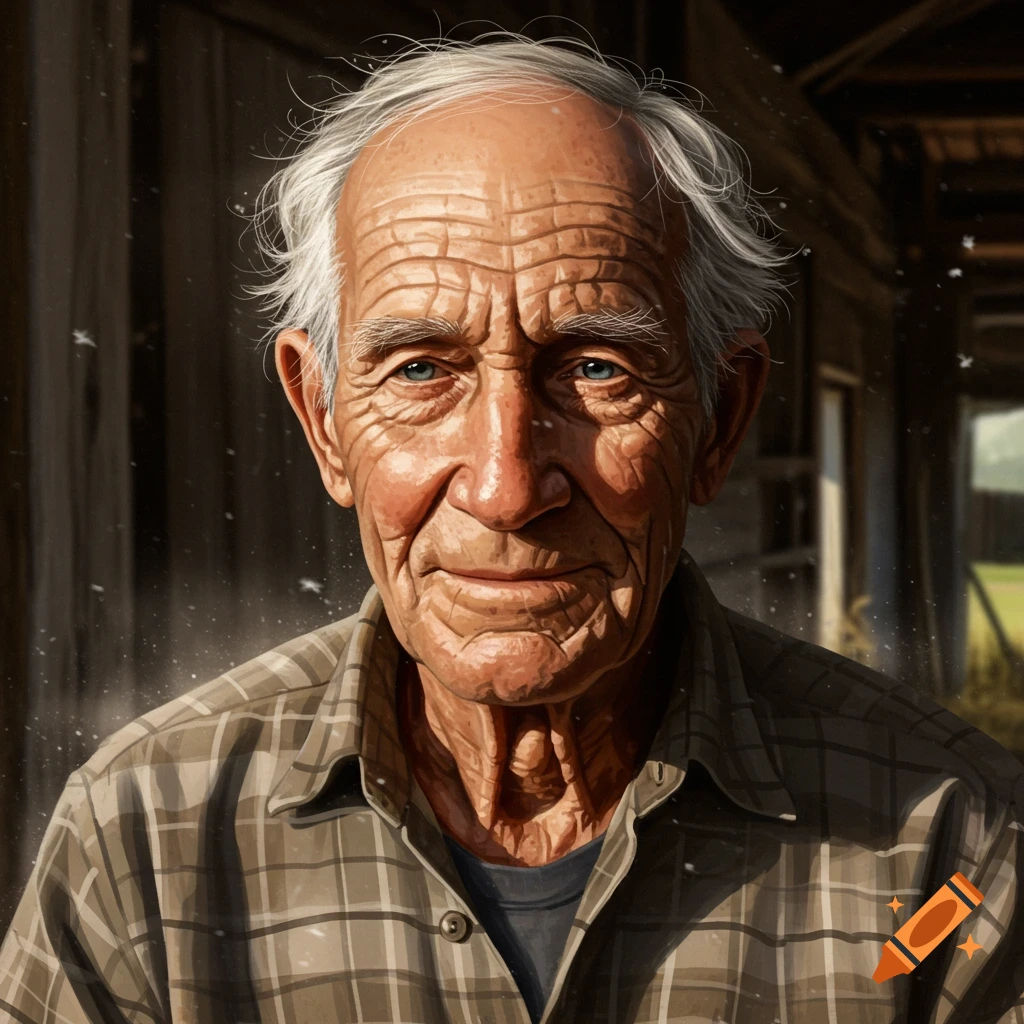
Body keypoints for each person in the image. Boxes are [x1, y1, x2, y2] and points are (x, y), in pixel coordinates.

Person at [2, 36, 1022, 1024]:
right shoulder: (145, 842)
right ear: (322, 421)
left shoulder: (949, 847)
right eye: (419, 370)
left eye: (594, 368)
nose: (504, 485)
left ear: (719, 419)